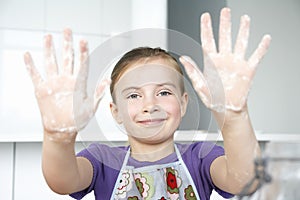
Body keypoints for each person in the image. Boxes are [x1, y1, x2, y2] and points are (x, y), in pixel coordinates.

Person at [23, 7, 271, 200]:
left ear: (183, 104)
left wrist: (234, 116)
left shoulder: (201, 158)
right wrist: (58, 137)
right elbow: (61, 181)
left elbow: (244, 180)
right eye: (133, 95)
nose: (149, 104)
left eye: (163, 92)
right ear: (116, 112)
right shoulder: (101, 158)